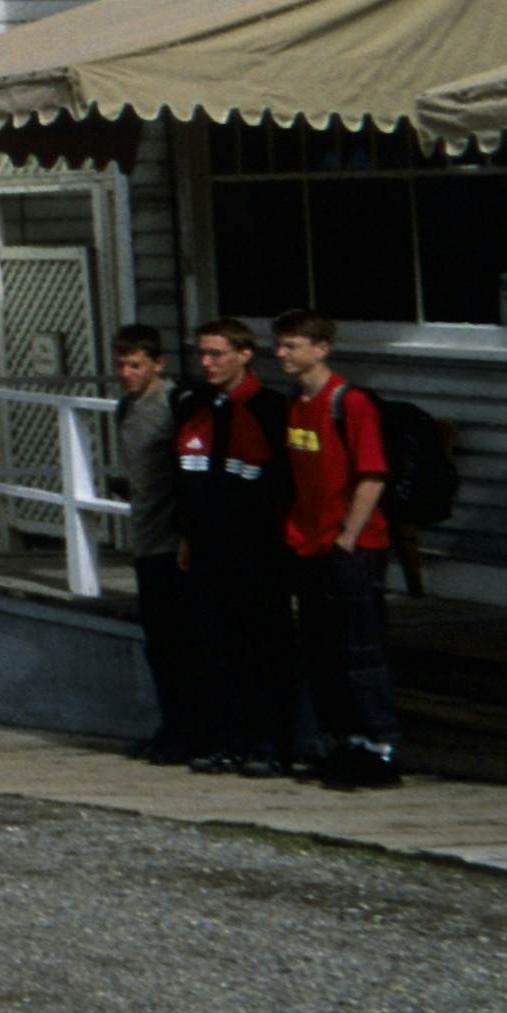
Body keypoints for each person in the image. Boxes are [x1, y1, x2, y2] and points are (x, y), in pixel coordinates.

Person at [272, 312, 408, 790]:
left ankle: (381, 745)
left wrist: (349, 535)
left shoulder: (349, 403)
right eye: (280, 345)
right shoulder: (296, 404)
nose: (282, 354)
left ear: (321, 348)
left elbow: (372, 473)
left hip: (351, 544)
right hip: (307, 544)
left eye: (292, 346)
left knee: (361, 648)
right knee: (322, 648)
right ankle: (345, 741)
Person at [172, 320, 295, 779]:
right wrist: (186, 535)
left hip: (258, 552)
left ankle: (269, 743)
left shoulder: (270, 408)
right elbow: (185, 480)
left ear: (245, 355)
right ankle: (224, 738)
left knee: (262, 647)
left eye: (217, 353)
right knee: (212, 648)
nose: (207, 362)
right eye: (202, 353)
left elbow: (284, 484)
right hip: (207, 548)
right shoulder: (193, 406)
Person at [110, 325, 202, 764]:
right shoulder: (126, 408)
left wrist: (188, 532)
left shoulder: (174, 404)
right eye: (122, 365)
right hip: (146, 538)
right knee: (160, 643)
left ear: (157, 363)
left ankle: (191, 729)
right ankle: (172, 725)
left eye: (136, 364)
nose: (127, 373)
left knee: (183, 641)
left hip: (174, 541)